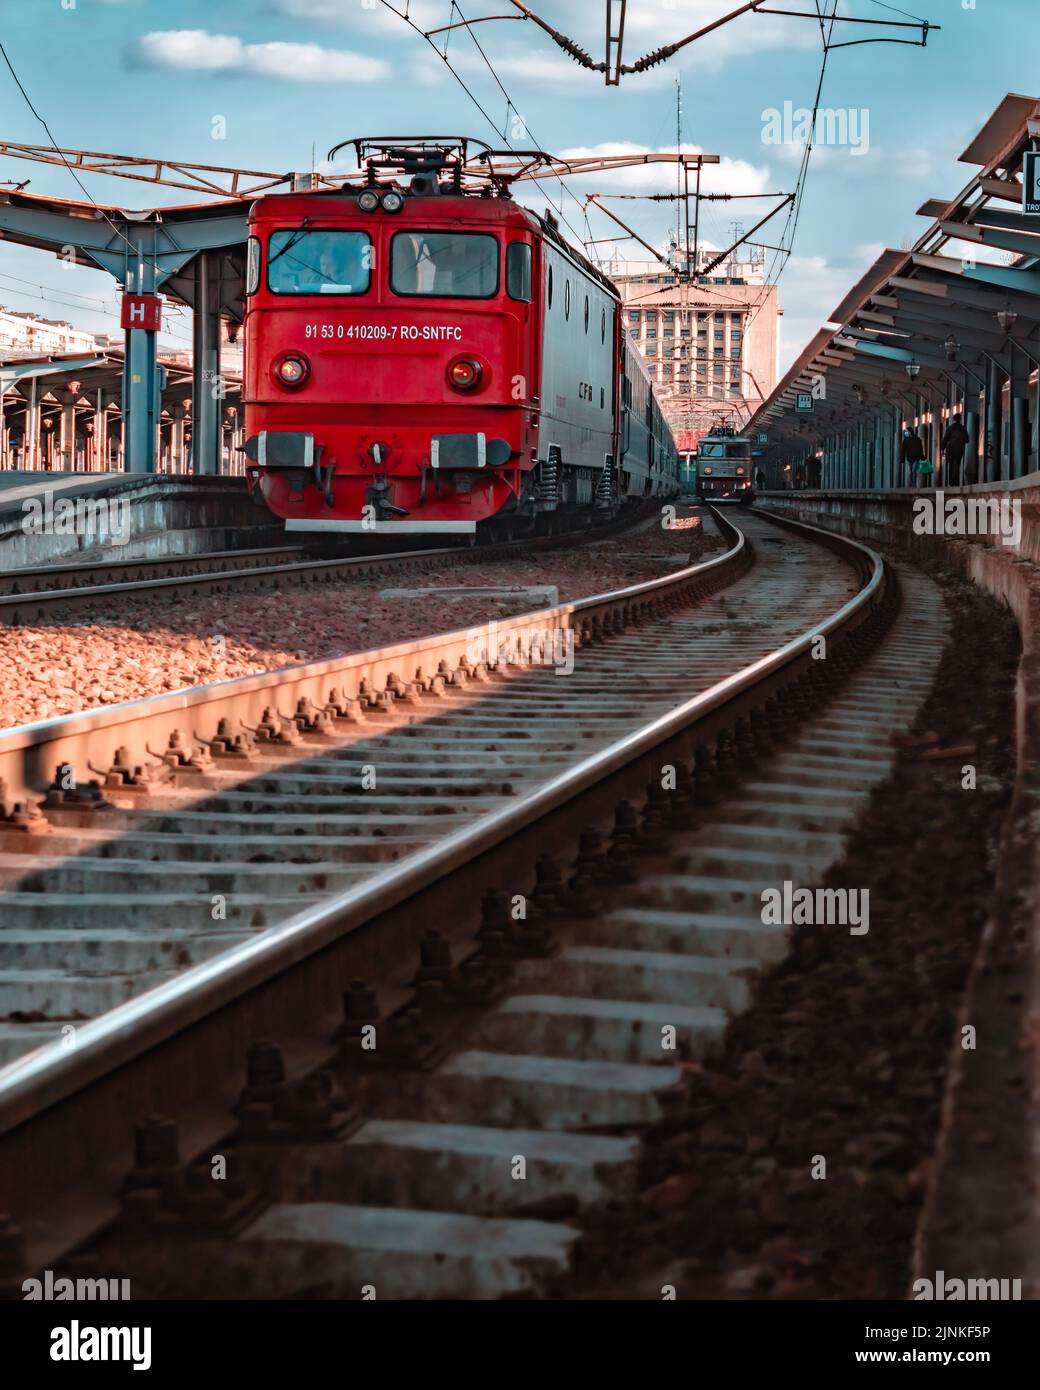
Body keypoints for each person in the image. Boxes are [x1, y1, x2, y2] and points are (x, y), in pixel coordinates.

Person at [942, 415, 969, 487]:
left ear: (953, 419)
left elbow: (945, 439)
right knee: (957, 465)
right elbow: (967, 439)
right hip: (959, 449)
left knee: (951, 465)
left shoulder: (949, 428)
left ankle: (951, 482)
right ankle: (956, 482)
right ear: (960, 419)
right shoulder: (962, 428)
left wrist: (942, 449)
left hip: (950, 449)